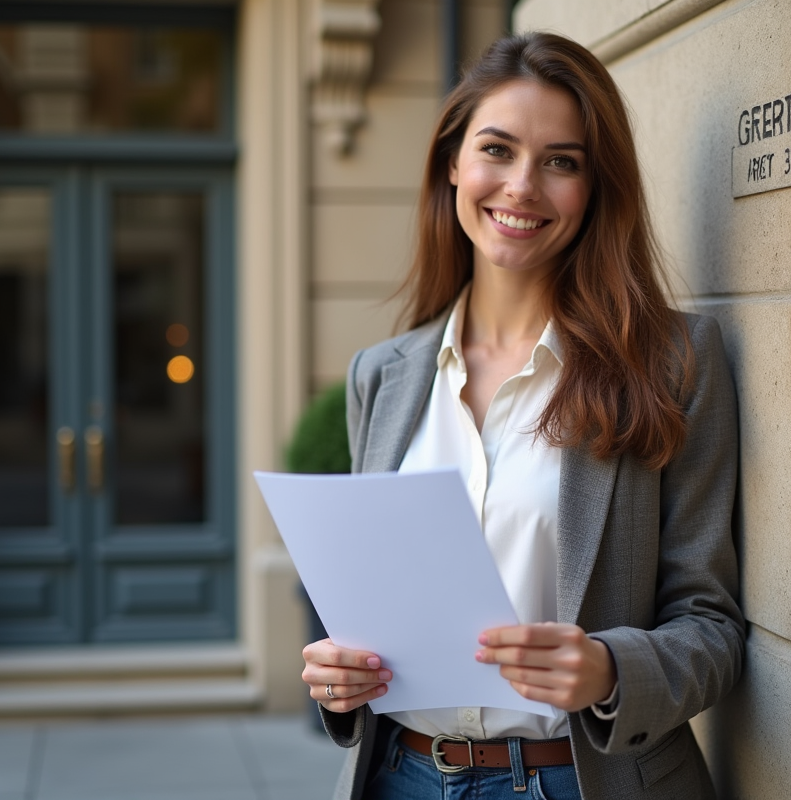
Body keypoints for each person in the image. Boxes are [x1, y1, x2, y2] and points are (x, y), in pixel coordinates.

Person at [301, 31, 743, 800]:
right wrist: (340, 673)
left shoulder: (673, 363)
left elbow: (713, 626)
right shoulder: (383, 376)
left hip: (579, 781)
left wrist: (610, 669)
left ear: (595, 186)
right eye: (497, 150)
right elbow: (373, 618)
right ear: (452, 163)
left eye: (561, 162)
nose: (522, 187)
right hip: (397, 775)